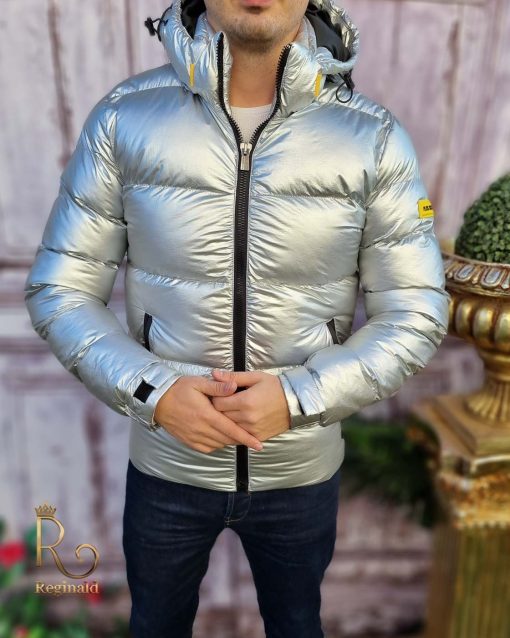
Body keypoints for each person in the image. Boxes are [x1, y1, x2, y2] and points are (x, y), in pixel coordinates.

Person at [23, 0, 450, 636]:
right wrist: (155, 391)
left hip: (300, 472)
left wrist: (299, 397)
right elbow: (59, 290)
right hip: (167, 468)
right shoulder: (123, 120)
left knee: (298, 624)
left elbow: (416, 312)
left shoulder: (373, 139)